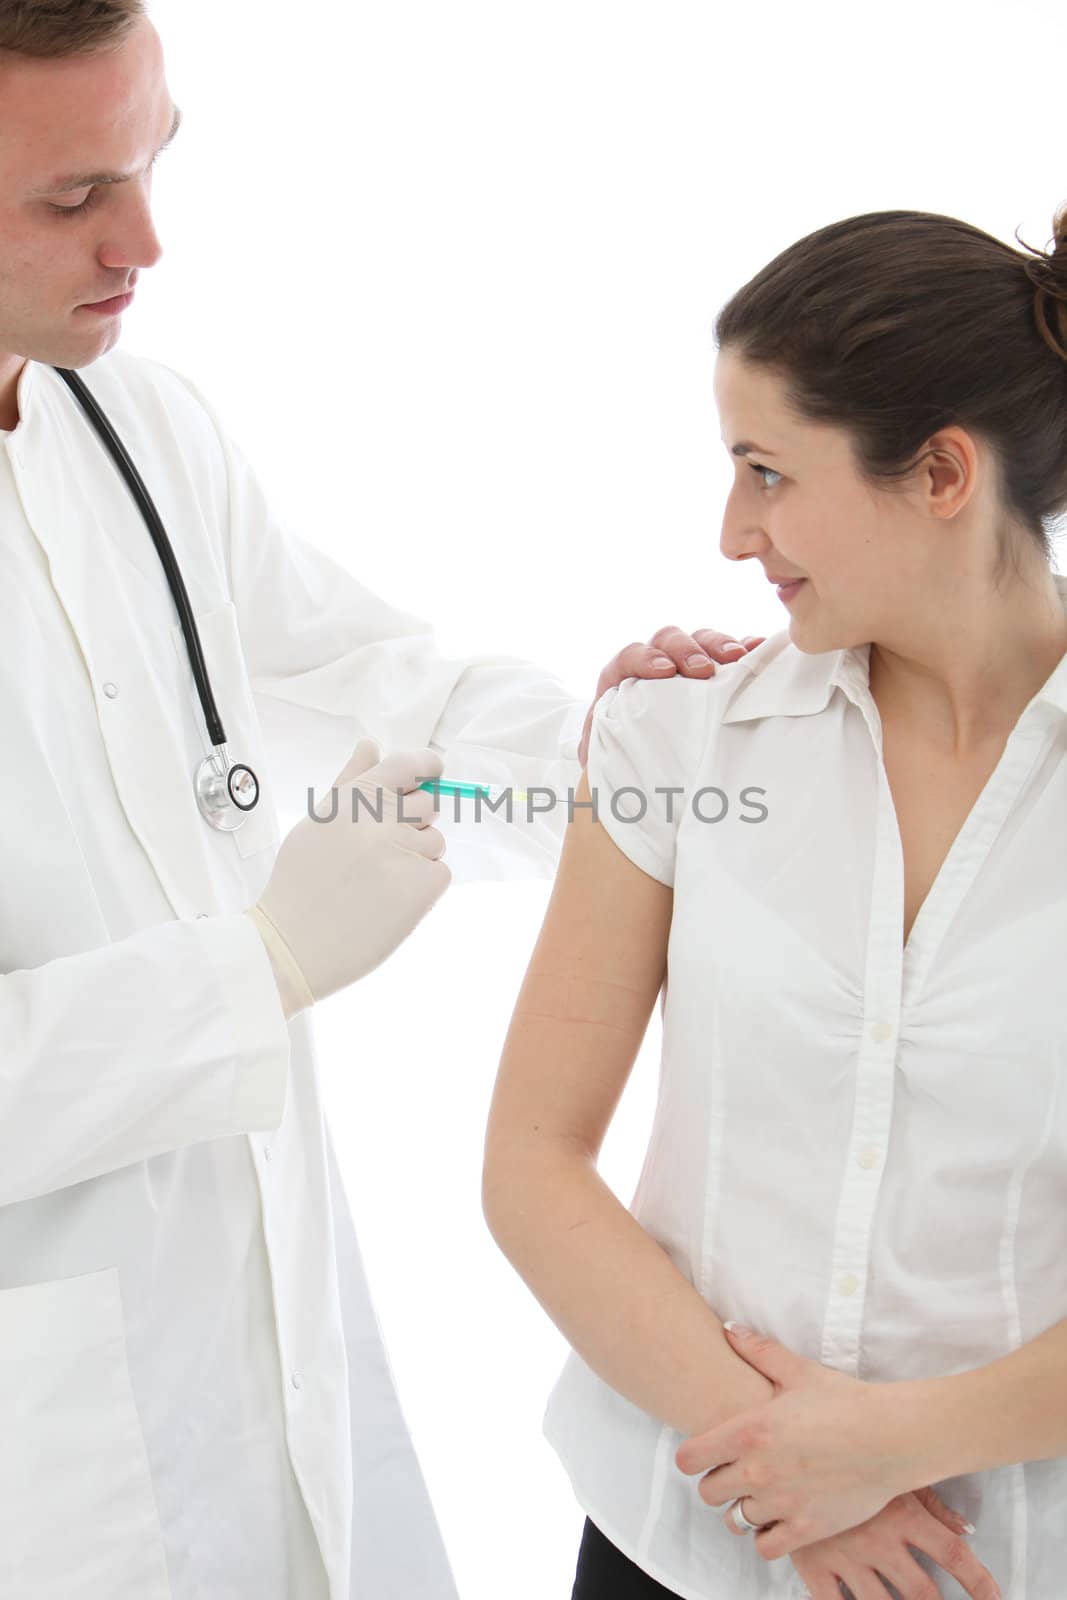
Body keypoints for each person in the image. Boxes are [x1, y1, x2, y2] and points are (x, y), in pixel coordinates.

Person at [0, 5, 759, 1597]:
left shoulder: (133, 422)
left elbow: (377, 684)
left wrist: (634, 768)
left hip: (265, 1352)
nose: (147, 238)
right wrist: (256, 970)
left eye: (154, 162)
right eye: (73, 199)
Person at [484, 200, 1067, 1600]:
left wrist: (883, 1448)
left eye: (767, 471)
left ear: (938, 474)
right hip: (674, 1543)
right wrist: (790, 1483)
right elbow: (532, 1164)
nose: (733, 530)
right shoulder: (676, 739)